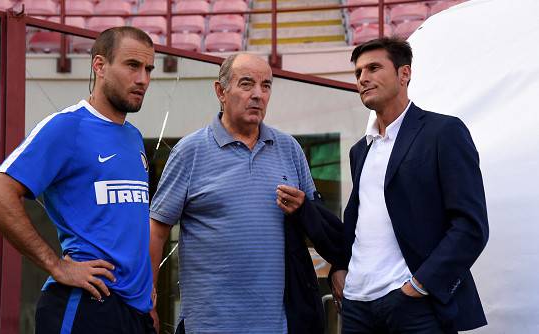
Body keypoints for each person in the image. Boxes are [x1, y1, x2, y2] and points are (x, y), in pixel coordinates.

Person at [0, 27, 157, 334]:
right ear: (99, 66)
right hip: (86, 305)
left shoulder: (134, 137)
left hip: (135, 311)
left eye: (148, 69)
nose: (142, 79)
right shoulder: (67, 127)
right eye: (132, 66)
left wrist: (145, 295)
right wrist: (56, 265)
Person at [328, 37, 489, 333]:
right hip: (356, 306)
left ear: (405, 74)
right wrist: (341, 267)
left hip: (413, 305)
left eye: (374, 68)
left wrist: (419, 286)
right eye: (358, 73)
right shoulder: (360, 151)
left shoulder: (443, 132)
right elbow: (360, 220)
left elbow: (470, 225)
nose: (363, 78)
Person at [149, 53, 319, 333]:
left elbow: (316, 224)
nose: (258, 95)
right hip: (209, 325)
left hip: (276, 326)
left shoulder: (289, 149)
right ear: (220, 91)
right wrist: (148, 300)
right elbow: (156, 231)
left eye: (266, 86)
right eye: (247, 84)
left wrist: (305, 212)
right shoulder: (189, 152)